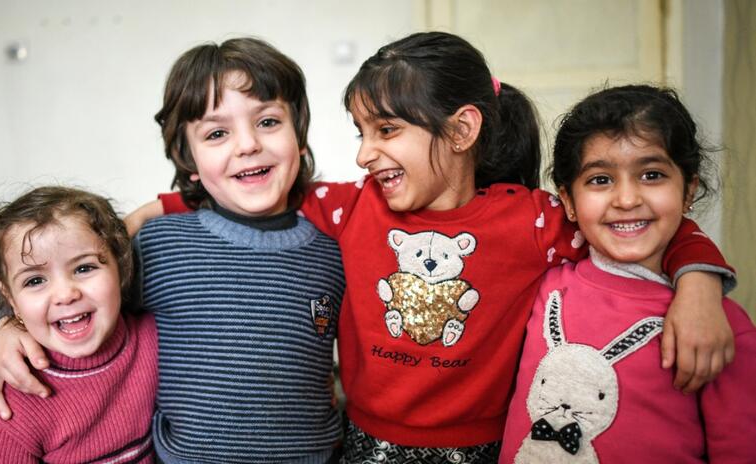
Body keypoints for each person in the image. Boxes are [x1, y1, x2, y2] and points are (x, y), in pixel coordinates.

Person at [136, 32, 735, 462]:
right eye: (361, 133)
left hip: (480, 448)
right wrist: (148, 212)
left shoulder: (532, 220)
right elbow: (249, 196)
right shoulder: (352, 206)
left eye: (387, 130)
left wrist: (700, 281)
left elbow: (624, 222)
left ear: (462, 129)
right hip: (362, 442)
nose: (365, 153)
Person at [0, 38, 346, 463]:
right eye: (218, 132)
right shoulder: (161, 244)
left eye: (267, 122)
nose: (247, 144)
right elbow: (71, 294)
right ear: (188, 159)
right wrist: (6, 330)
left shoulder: (333, 249)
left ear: (299, 135)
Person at [499, 84, 756, 463]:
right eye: (600, 180)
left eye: (652, 175)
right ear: (568, 200)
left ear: (688, 191)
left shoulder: (716, 325)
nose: (627, 199)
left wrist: (700, 283)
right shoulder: (544, 280)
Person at [0, 186, 157, 463]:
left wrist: (139, 217)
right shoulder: (10, 408)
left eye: (84, 268)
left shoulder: (153, 336)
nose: (66, 294)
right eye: (35, 281)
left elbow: (212, 204)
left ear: (122, 268)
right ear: (11, 300)